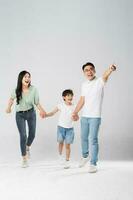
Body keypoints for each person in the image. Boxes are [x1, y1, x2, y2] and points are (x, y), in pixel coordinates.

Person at [72, 62, 116, 173]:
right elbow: (82, 100)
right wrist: (75, 112)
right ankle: (85, 156)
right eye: (86, 70)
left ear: (94, 71)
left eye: (91, 69)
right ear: (84, 73)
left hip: (95, 116)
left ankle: (93, 163)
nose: (89, 71)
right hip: (85, 116)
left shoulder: (99, 81)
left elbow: (105, 75)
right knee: (83, 137)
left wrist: (110, 69)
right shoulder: (84, 85)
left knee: (93, 139)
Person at [6, 70, 46, 168]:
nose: (27, 78)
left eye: (29, 77)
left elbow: (37, 102)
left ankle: (27, 147)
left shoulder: (34, 89)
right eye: (25, 77)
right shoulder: (17, 89)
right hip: (20, 115)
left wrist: (42, 111)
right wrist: (8, 107)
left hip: (31, 113)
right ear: (21, 79)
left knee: (32, 134)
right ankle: (24, 159)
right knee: (23, 135)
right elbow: (11, 99)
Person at [46, 89, 78, 169]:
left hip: (70, 129)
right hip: (60, 128)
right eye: (68, 96)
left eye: (71, 96)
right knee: (60, 142)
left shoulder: (74, 107)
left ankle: (67, 161)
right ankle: (60, 157)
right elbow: (53, 113)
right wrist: (46, 115)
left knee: (68, 145)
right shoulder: (60, 105)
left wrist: (75, 118)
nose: (70, 97)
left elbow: (77, 118)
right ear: (64, 97)